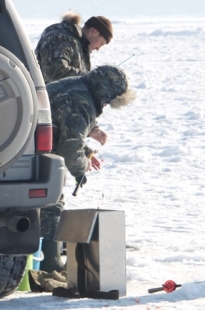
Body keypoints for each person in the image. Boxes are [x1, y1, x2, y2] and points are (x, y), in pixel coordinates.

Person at [39, 65, 135, 272]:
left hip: (26, 147)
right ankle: (50, 265)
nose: (107, 104)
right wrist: (81, 169)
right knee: (51, 202)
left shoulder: (73, 85)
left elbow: (65, 131)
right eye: (109, 100)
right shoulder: (82, 102)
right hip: (35, 153)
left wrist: (85, 152)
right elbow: (69, 147)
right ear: (103, 91)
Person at [35, 12, 114, 143]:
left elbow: (75, 92)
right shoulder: (61, 38)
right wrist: (89, 79)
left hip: (58, 119)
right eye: (101, 43)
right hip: (45, 114)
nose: (99, 48)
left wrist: (92, 126)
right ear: (94, 32)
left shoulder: (80, 48)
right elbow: (54, 71)